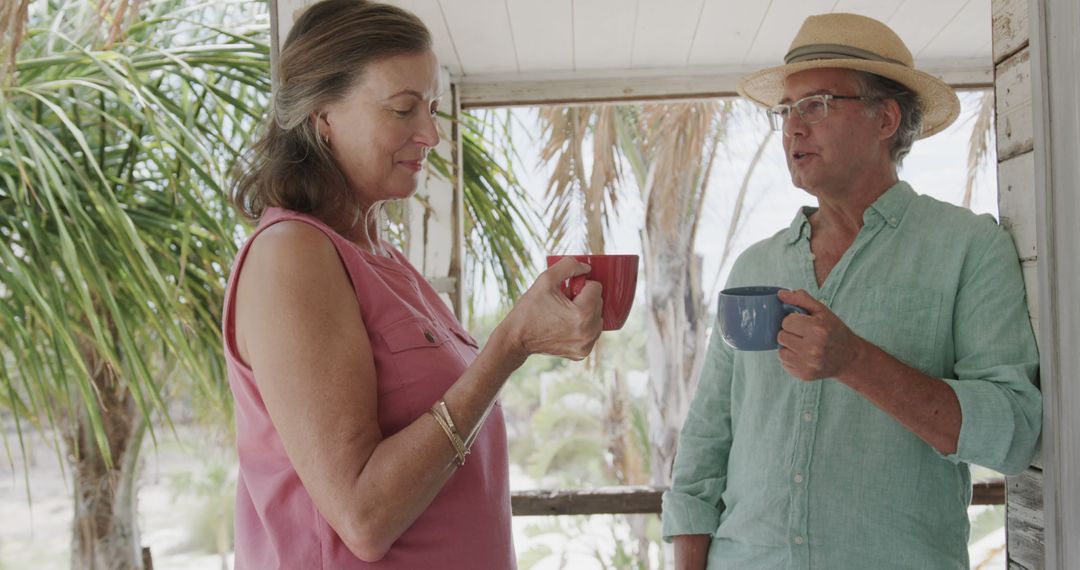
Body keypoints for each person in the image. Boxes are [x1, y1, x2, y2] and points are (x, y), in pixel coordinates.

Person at [222, 1, 603, 567]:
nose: (430, 134)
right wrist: (508, 348)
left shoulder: (384, 260)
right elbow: (363, 517)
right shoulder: (292, 256)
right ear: (322, 115)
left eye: (428, 108)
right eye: (403, 109)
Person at [662, 13, 1042, 569]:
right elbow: (702, 451)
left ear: (885, 118)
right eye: (785, 111)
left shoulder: (968, 248)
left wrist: (854, 360)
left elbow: (1013, 433)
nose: (793, 127)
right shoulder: (754, 266)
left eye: (815, 104)